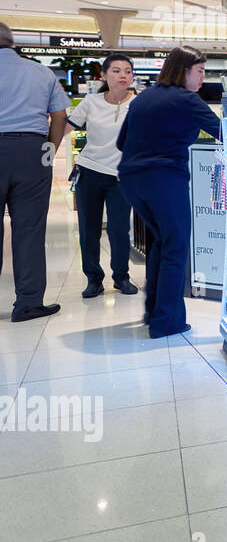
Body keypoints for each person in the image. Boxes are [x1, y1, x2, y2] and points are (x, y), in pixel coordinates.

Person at [116, 45, 221, 338]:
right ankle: (166, 321)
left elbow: (122, 143)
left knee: (161, 244)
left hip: (131, 180)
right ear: (184, 70)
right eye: (199, 72)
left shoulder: (144, 97)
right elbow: (226, 132)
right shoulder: (187, 99)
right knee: (175, 247)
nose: (202, 79)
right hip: (164, 179)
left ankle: (154, 312)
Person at [0, 21, 69, 322]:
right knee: (29, 229)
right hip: (32, 150)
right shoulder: (41, 72)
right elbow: (60, 116)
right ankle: (27, 303)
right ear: (12, 41)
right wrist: (49, 151)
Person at [66, 53, 139, 298]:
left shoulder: (138, 103)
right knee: (89, 229)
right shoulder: (91, 101)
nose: (123, 75)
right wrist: (45, 149)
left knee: (119, 229)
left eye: (127, 71)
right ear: (104, 75)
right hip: (89, 172)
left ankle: (121, 277)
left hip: (122, 177)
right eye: (116, 70)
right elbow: (68, 127)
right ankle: (93, 279)